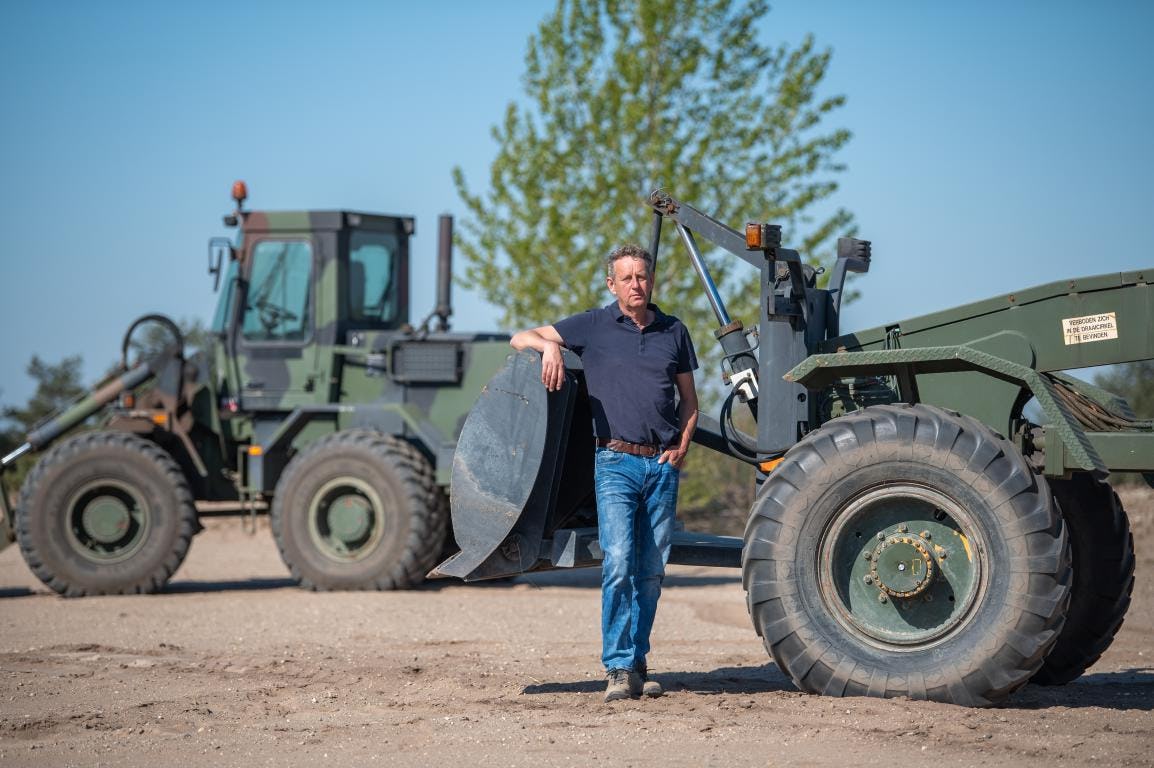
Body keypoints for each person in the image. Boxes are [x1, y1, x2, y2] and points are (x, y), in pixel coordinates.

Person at [510, 243, 699, 703]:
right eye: (627, 278)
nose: (636, 284)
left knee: (651, 571)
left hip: (661, 465)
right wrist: (550, 348)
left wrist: (682, 445)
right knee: (618, 563)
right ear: (611, 284)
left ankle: (637, 663)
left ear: (651, 281)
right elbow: (519, 336)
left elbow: (690, 401)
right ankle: (616, 667)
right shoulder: (593, 325)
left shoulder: (674, 331)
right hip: (613, 462)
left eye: (642, 277)